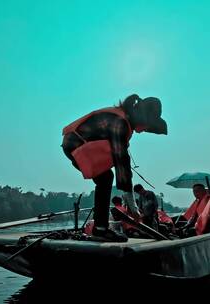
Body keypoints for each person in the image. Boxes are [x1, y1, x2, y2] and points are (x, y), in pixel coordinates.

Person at [62, 94, 168, 241]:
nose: (145, 130)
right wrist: (133, 207)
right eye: (148, 125)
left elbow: (122, 160)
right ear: (143, 118)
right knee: (106, 178)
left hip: (74, 143)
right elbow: (122, 162)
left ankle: (100, 227)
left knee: (106, 178)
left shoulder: (123, 119)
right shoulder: (120, 123)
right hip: (75, 143)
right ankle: (101, 229)